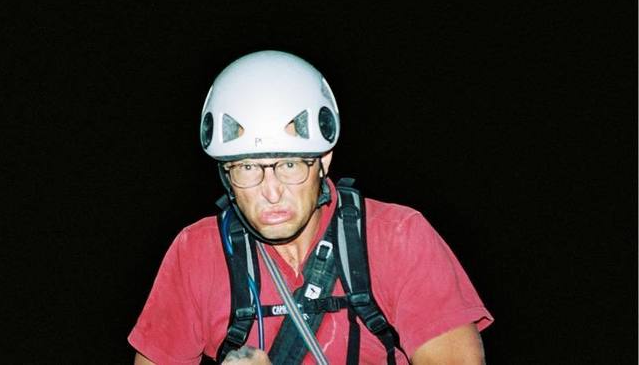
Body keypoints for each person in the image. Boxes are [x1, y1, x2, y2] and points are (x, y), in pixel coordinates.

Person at [129, 51, 493, 364]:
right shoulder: (197, 253)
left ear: (323, 161)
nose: (271, 192)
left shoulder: (398, 237)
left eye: (289, 165)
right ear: (226, 174)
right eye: (247, 168)